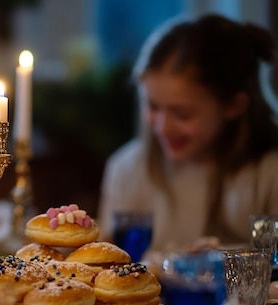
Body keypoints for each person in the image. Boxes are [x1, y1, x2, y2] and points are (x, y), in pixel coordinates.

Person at [97, 13, 278, 252]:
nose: (162, 127)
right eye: (152, 106)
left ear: (234, 106)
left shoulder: (269, 173)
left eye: (182, 114)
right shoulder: (127, 168)